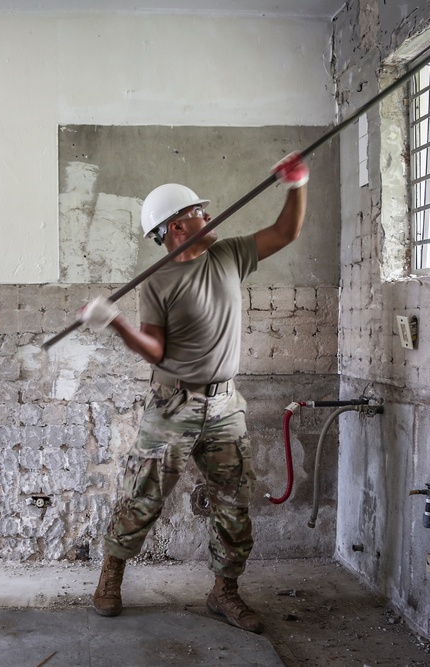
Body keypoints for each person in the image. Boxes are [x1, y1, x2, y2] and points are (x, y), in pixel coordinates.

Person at [79, 153, 309, 634]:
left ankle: (224, 592)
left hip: (226, 405)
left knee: (233, 501)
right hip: (173, 407)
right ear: (179, 227)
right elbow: (155, 350)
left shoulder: (230, 254)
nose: (210, 216)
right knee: (143, 497)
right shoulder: (157, 283)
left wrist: (296, 184)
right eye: (200, 213)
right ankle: (112, 575)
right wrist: (116, 323)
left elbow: (285, 232)